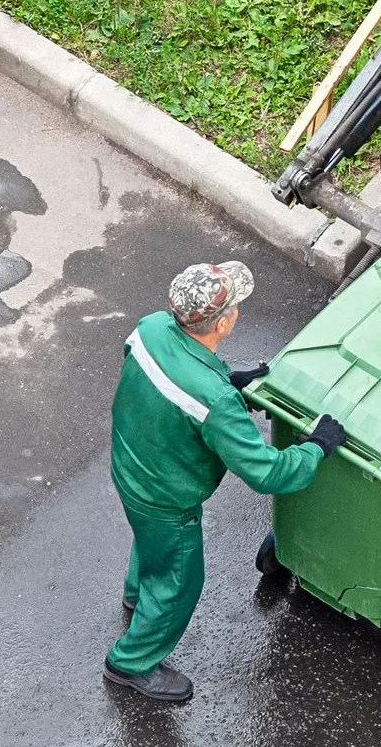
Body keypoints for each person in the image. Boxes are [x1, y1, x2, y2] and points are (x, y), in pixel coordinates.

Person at [104, 260, 347, 702]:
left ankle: (137, 596)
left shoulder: (150, 328)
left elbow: (165, 384)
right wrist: (317, 447)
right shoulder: (213, 401)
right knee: (178, 583)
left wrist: (228, 382)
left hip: (130, 465)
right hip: (167, 497)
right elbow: (268, 472)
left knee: (152, 543)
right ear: (222, 323)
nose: (237, 311)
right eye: (234, 306)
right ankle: (131, 663)